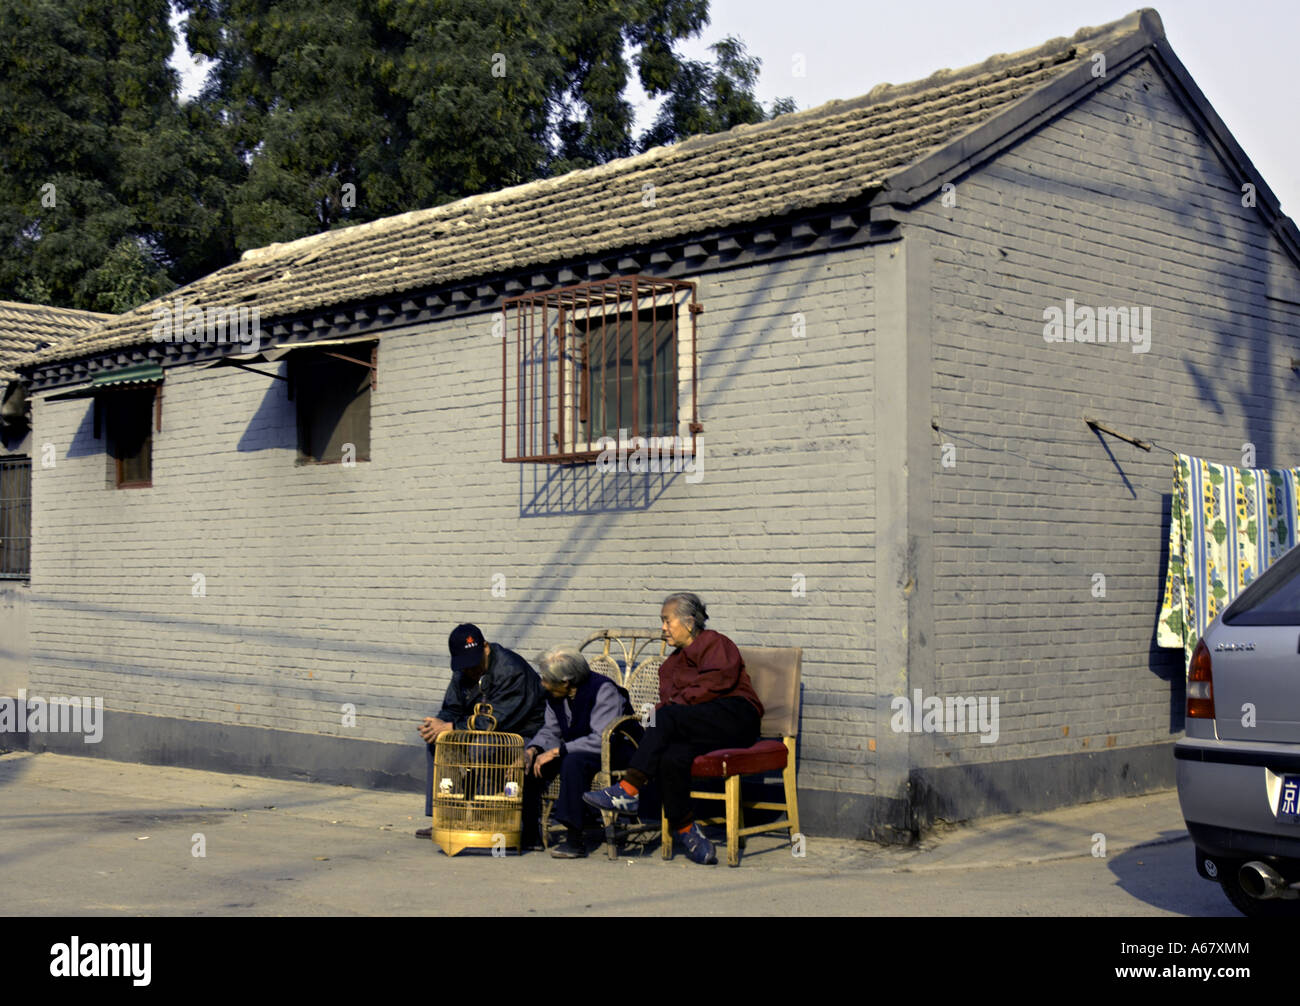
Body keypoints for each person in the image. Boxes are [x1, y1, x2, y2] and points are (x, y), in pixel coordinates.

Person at [584, 592, 762, 864]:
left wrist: (669, 712)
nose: (663, 628)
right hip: (698, 727)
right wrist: (654, 727)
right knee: (670, 756)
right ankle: (687, 829)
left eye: (667, 621)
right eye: (662, 622)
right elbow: (670, 706)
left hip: (736, 716)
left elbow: (716, 682)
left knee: (665, 716)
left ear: (689, 623)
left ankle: (629, 789)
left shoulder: (715, 643)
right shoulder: (669, 666)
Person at [417, 623, 546, 840]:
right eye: (465, 665)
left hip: (520, 733)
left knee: (482, 747)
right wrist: (438, 725)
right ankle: (444, 817)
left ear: (486, 648)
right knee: (437, 742)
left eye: (473, 663)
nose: (470, 669)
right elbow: (452, 708)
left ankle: (484, 816)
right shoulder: (463, 670)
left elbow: (496, 721)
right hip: (478, 730)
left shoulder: (511, 670)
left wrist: (451, 727)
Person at [522, 648, 633, 858]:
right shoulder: (556, 696)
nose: (543, 684)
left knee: (572, 762)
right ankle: (530, 834)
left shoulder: (602, 690)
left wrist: (558, 751)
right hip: (578, 748)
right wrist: (534, 749)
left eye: (547, 680)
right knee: (530, 763)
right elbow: (551, 730)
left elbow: (603, 739)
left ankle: (574, 839)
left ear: (566, 682)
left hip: (614, 750)